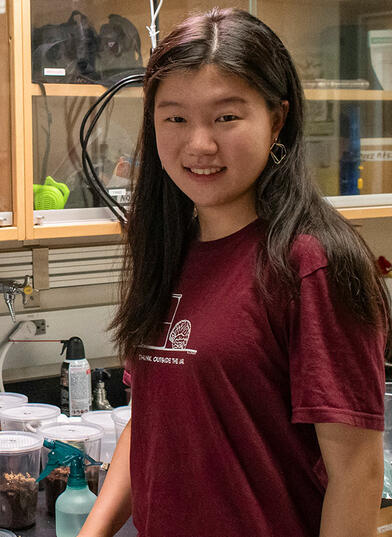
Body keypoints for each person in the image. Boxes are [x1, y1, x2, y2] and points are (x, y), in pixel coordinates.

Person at [80, 7, 390, 537]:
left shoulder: (309, 262)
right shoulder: (167, 249)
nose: (199, 145)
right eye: (174, 117)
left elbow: (356, 473)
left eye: (226, 116)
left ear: (278, 119)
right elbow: (151, 421)